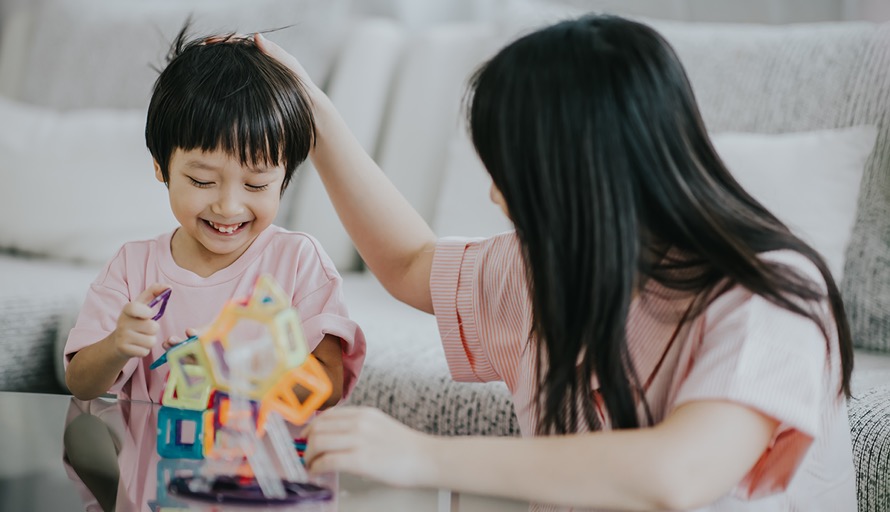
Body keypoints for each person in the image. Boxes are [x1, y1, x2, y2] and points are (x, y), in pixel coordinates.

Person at [255, 13, 857, 512]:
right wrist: (316, 116)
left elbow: (677, 474)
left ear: (580, 172)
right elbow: (410, 263)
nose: (495, 195)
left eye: (509, 169)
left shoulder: (769, 294)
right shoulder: (544, 269)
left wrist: (418, 453)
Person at [64, 28, 366, 407]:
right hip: (156, 461)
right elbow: (80, 384)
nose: (228, 206)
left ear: (284, 179)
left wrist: (238, 368)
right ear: (161, 167)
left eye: (256, 185)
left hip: (258, 463)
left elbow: (328, 386)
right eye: (202, 180)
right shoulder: (132, 266)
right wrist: (115, 346)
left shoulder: (298, 261)